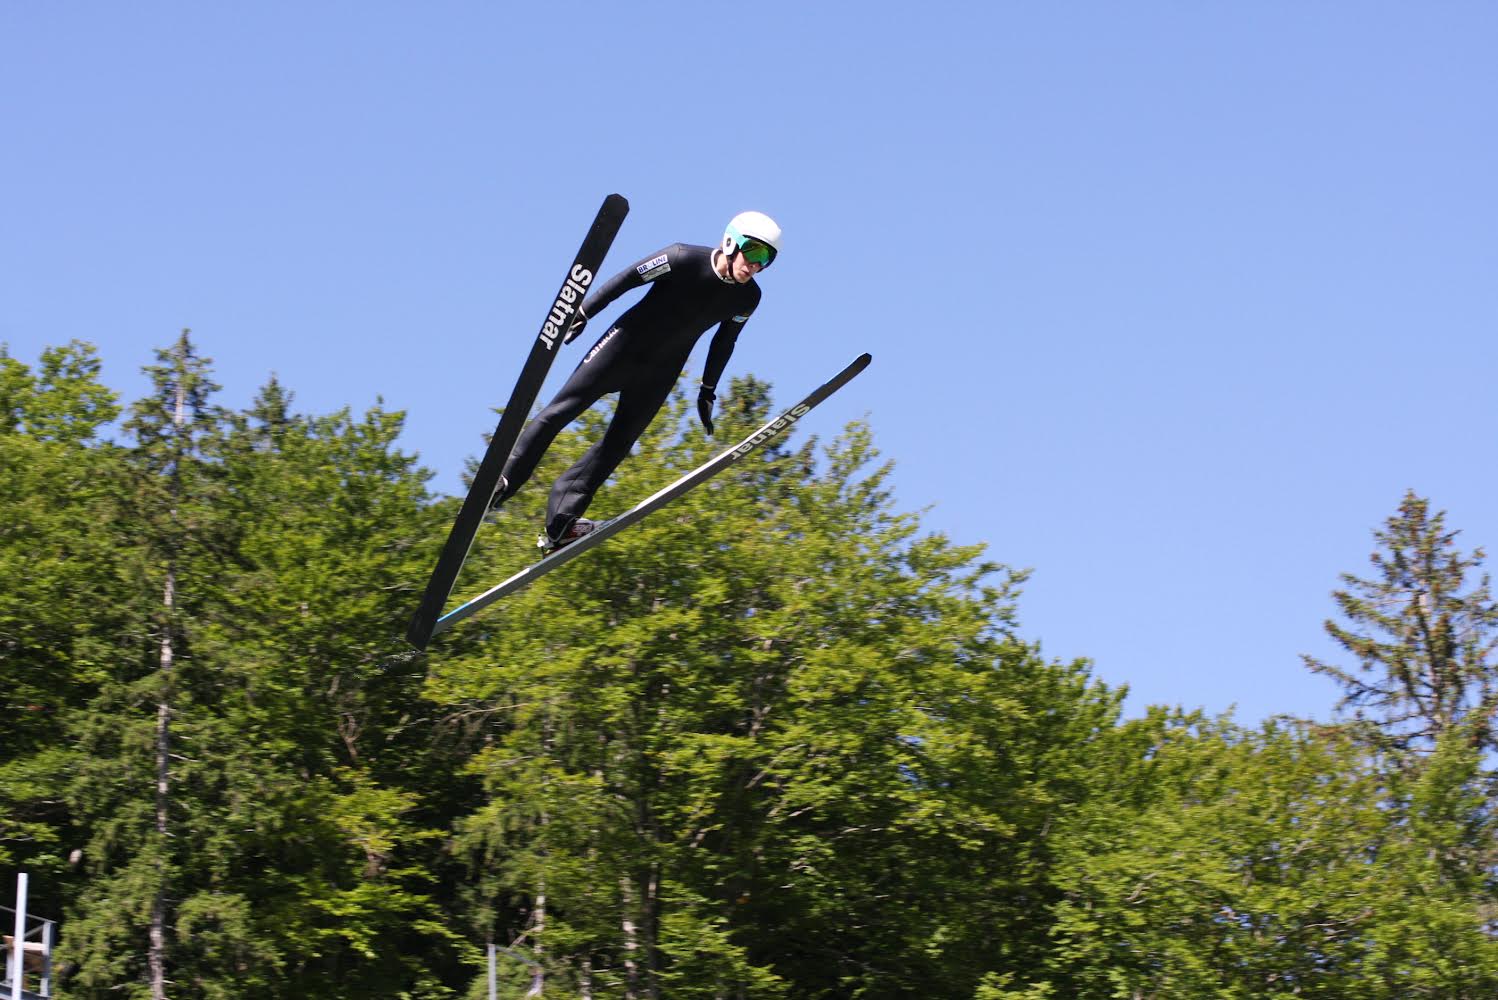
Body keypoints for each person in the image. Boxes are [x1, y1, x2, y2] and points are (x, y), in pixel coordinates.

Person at [490, 210, 782, 550]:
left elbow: (724, 341)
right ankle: (504, 480)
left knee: (617, 445)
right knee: (559, 413)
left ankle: (562, 523)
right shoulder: (681, 257)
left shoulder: (748, 298)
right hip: (620, 350)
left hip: (660, 373)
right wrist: (584, 311)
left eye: (767, 260)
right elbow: (628, 279)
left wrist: (708, 390)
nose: (756, 265)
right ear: (731, 242)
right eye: (755, 252)